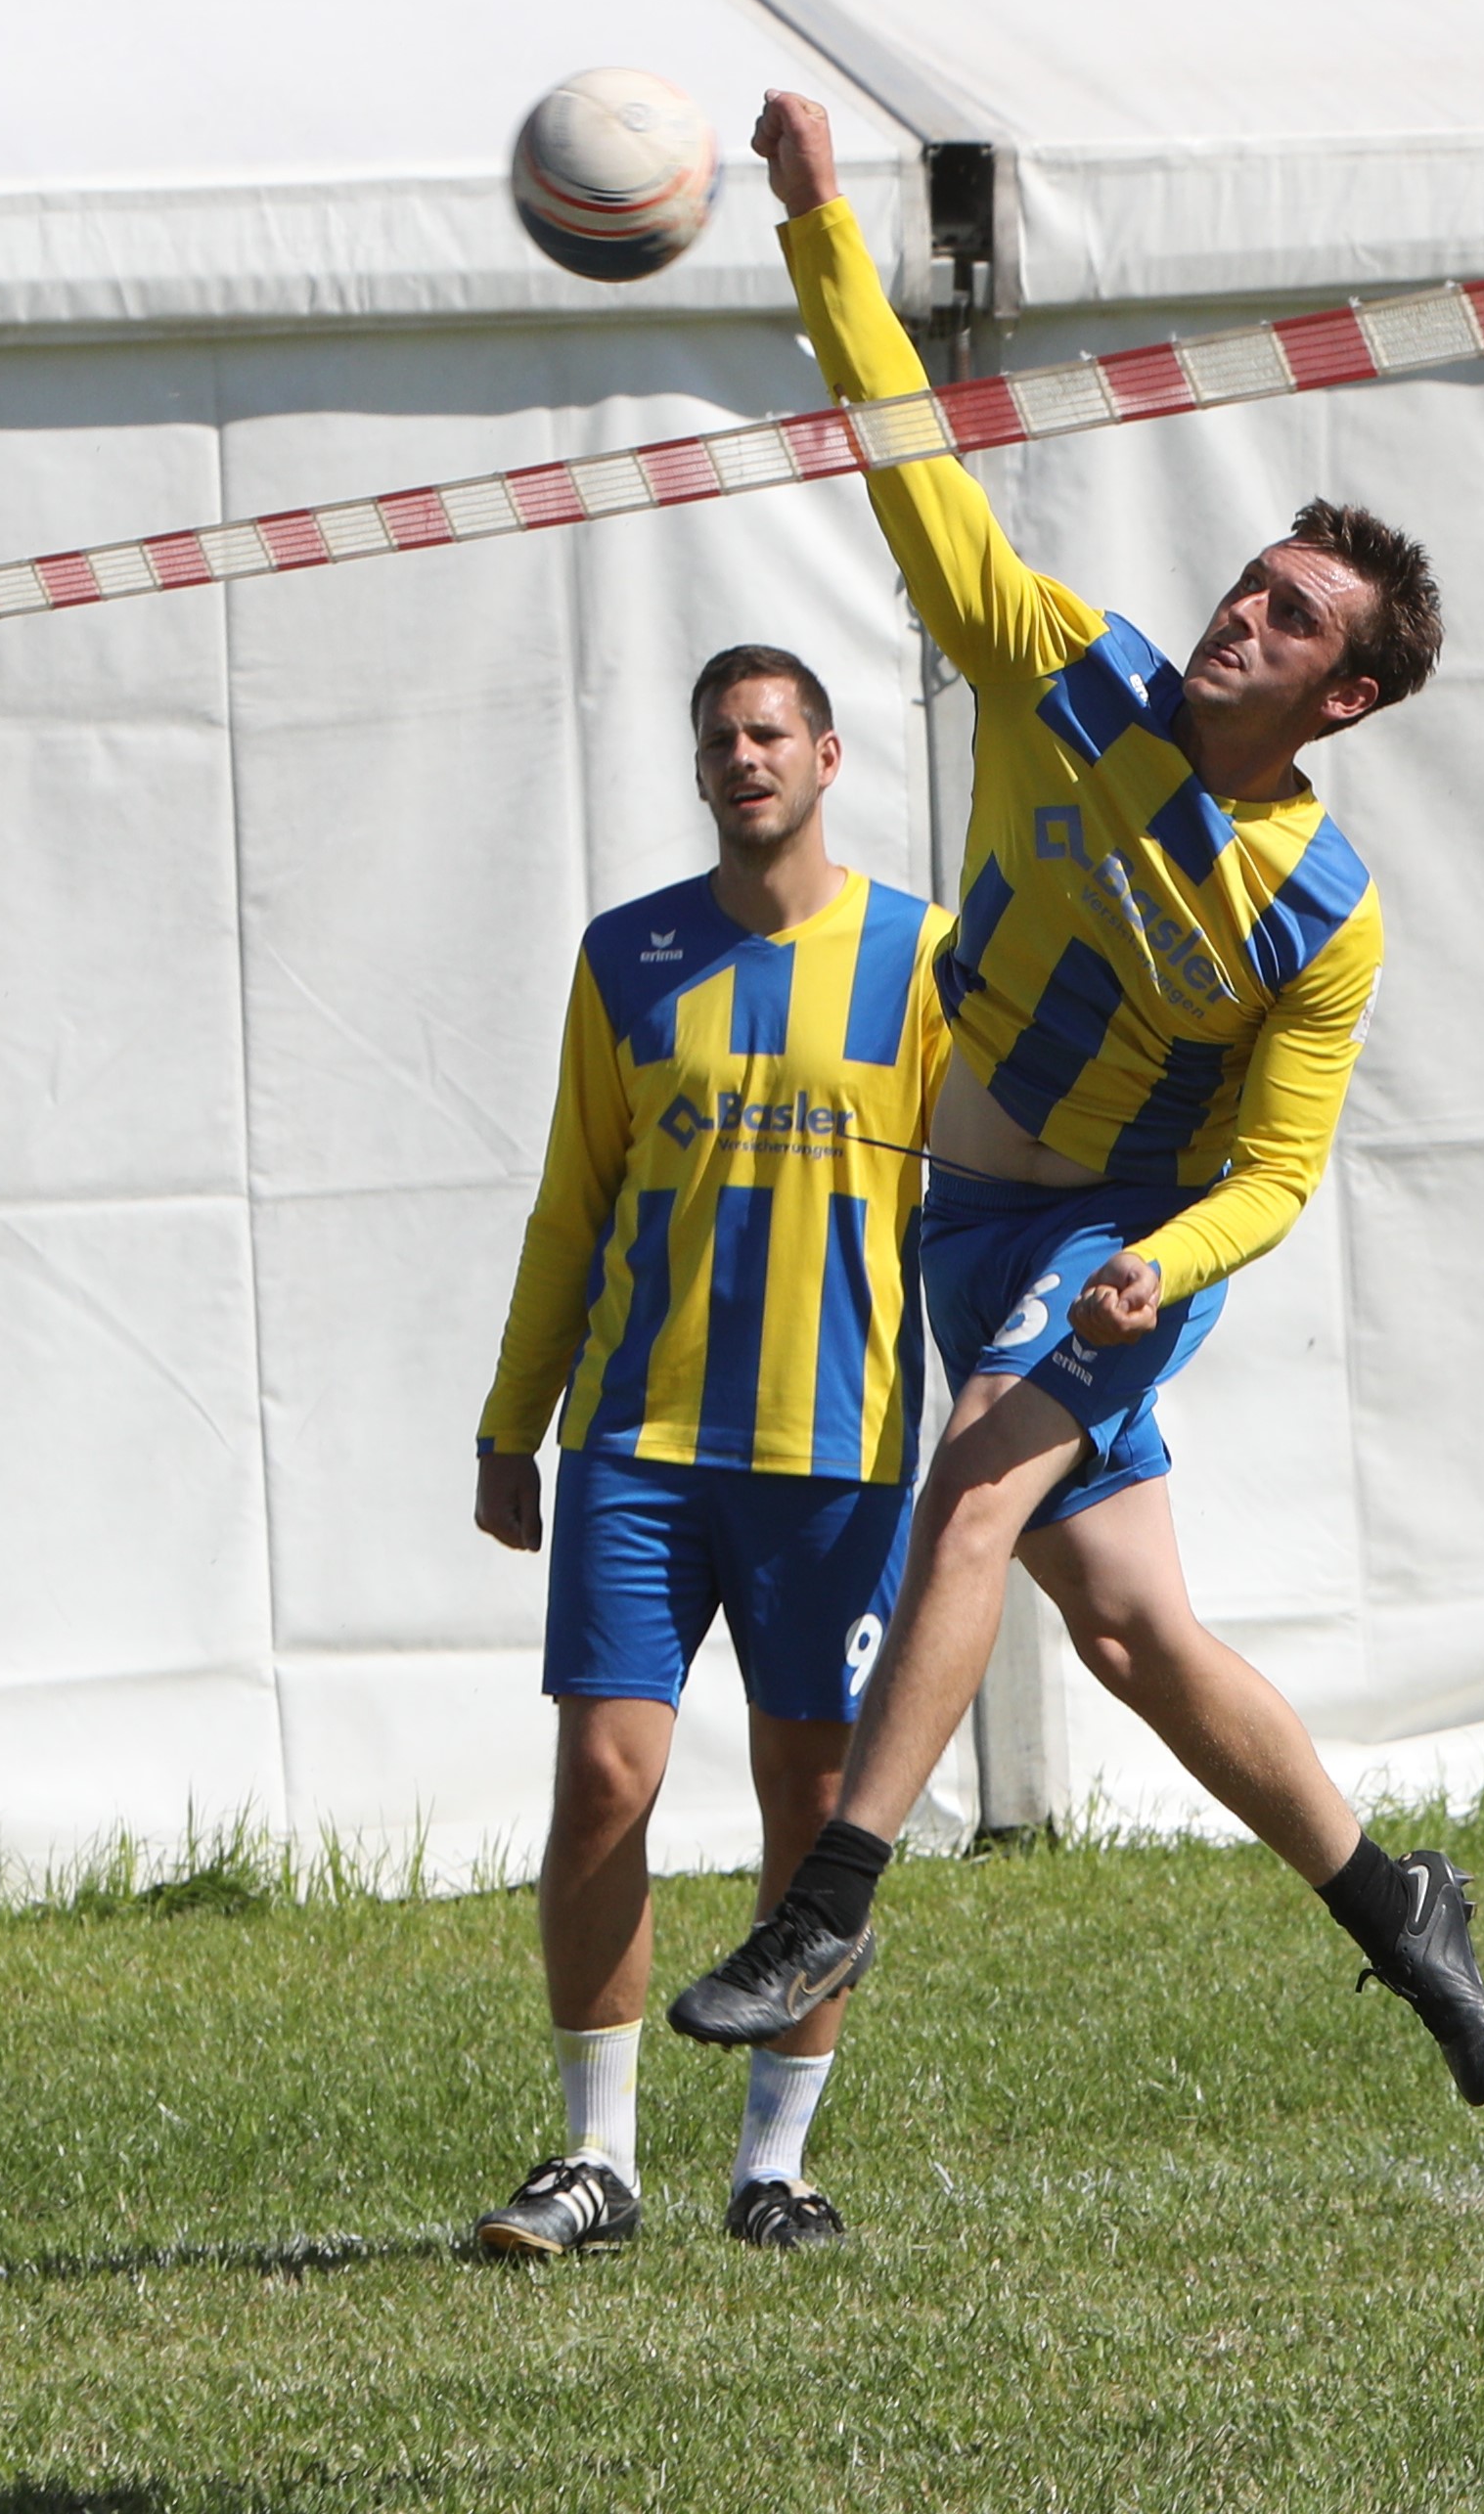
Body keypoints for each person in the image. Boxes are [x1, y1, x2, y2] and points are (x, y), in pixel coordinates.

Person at [662, 91, 1484, 2105]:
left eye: (1294, 618)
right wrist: (818, 234)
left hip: (1121, 1244)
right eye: (1254, 583)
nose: (1246, 613)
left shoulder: (1321, 913)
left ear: (1346, 699)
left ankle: (829, 1905)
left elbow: (1277, 1171)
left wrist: (1161, 1271)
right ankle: (1403, 1911)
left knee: (970, 1478)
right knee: (1131, 1636)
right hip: (967, 1224)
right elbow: (905, 462)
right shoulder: (1072, 678)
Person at [468, 643, 951, 2255]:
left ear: (826, 759)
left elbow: (998, 1193)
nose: (745, 758)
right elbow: (569, 1207)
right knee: (606, 1771)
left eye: (772, 733)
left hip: (837, 1445)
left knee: (812, 1801)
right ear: (699, 773)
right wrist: (508, 1424)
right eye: (719, 738)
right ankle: (596, 2160)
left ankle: (773, 2168)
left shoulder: (926, 958)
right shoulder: (628, 958)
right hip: (638, 1438)